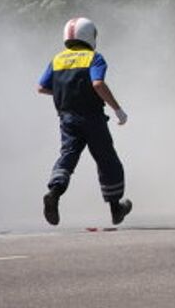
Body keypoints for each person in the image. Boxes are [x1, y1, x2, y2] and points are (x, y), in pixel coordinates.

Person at [37, 17, 132, 226]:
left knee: (67, 157)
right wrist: (118, 110)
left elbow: (41, 87)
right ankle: (116, 208)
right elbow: (98, 84)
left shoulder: (57, 60)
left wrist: (67, 91)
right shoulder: (94, 58)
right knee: (107, 159)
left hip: (67, 119)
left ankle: (54, 193)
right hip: (92, 118)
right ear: (90, 35)